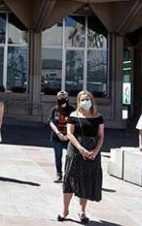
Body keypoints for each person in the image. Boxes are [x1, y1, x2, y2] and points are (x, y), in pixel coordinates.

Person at [59, 91, 105, 224]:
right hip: (75, 152)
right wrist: (80, 149)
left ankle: (82, 210)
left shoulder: (98, 117)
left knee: (85, 180)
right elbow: (70, 134)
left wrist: (95, 151)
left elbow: (101, 136)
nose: (85, 102)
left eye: (88, 99)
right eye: (83, 99)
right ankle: (65, 210)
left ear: (92, 101)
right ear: (79, 102)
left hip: (92, 153)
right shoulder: (73, 115)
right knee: (69, 179)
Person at [49, 90, 75, 183]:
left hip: (69, 138)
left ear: (67, 99)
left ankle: (68, 175)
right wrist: (58, 133)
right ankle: (59, 174)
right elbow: (51, 122)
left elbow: (74, 124)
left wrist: (68, 135)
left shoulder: (72, 110)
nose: (61, 100)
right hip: (57, 137)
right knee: (58, 156)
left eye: (63, 99)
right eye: (60, 99)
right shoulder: (55, 109)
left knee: (70, 156)